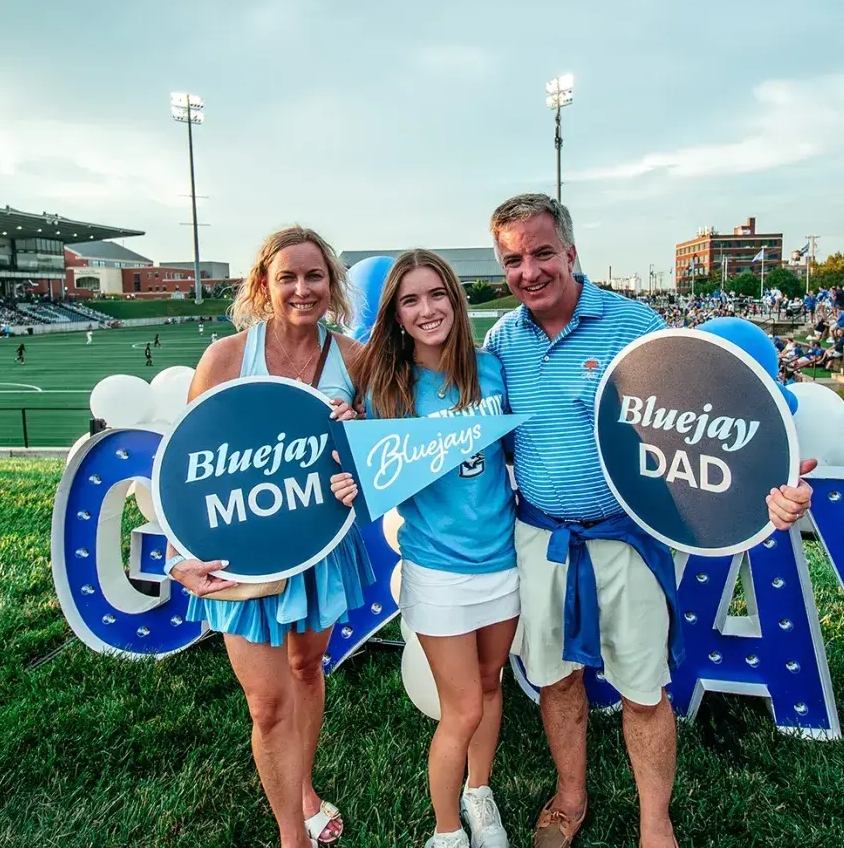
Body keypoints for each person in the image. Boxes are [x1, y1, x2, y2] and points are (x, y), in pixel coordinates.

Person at [481, 194, 815, 848]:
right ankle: (571, 798)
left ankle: (653, 821)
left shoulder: (635, 326)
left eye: (543, 253)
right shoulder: (501, 341)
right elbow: (483, 437)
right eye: (513, 259)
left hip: (624, 539)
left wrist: (770, 493)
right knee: (555, 680)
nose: (529, 271)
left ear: (571, 253)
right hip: (540, 538)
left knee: (643, 688)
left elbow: (709, 431)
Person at [165, 225, 371, 848]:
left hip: (318, 547)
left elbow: (376, 462)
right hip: (243, 552)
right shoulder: (227, 357)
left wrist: (357, 442)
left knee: (308, 669)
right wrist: (178, 559)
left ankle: (304, 789)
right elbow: (187, 469)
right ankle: (292, 836)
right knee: (266, 704)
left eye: (315, 277)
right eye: (288, 277)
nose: (303, 289)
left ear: (332, 287)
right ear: (264, 285)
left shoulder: (354, 360)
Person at [329, 250, 516, 848]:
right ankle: (445, 831)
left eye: (437, 294)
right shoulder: (383, 388)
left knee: (491, 687)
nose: (427, 309)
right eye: (410, 300)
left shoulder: (492, 370)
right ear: (396, 314)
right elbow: (359, 473)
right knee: (459, 709)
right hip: (436, 569)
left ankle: (479, 796)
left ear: (456, 302)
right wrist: (348, 460)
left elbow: (508, 456)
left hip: (503, 561)